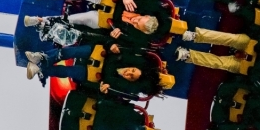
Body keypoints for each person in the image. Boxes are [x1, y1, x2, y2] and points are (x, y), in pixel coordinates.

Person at [26, 0, 185, 49]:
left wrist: (115, 36)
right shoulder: (147, 5)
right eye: (138, 19)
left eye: (137, 25)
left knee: (75, 19)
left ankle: (40, 20)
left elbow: (122, 42)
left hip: (104, 20)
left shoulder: (136, 36)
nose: (134, 22)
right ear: (145, 15)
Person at [25, 45, 169, 99]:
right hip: (97, 54)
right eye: (132, 70)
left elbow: (109, 85)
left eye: (131, 77)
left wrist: (103, 86)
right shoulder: (128, 57)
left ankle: (40, 68)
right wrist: (112, 52)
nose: (128, 73)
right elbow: (114, 54)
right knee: (68, 52)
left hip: (92, 74)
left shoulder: (121, 87)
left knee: (68, 72)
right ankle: (41, 57)